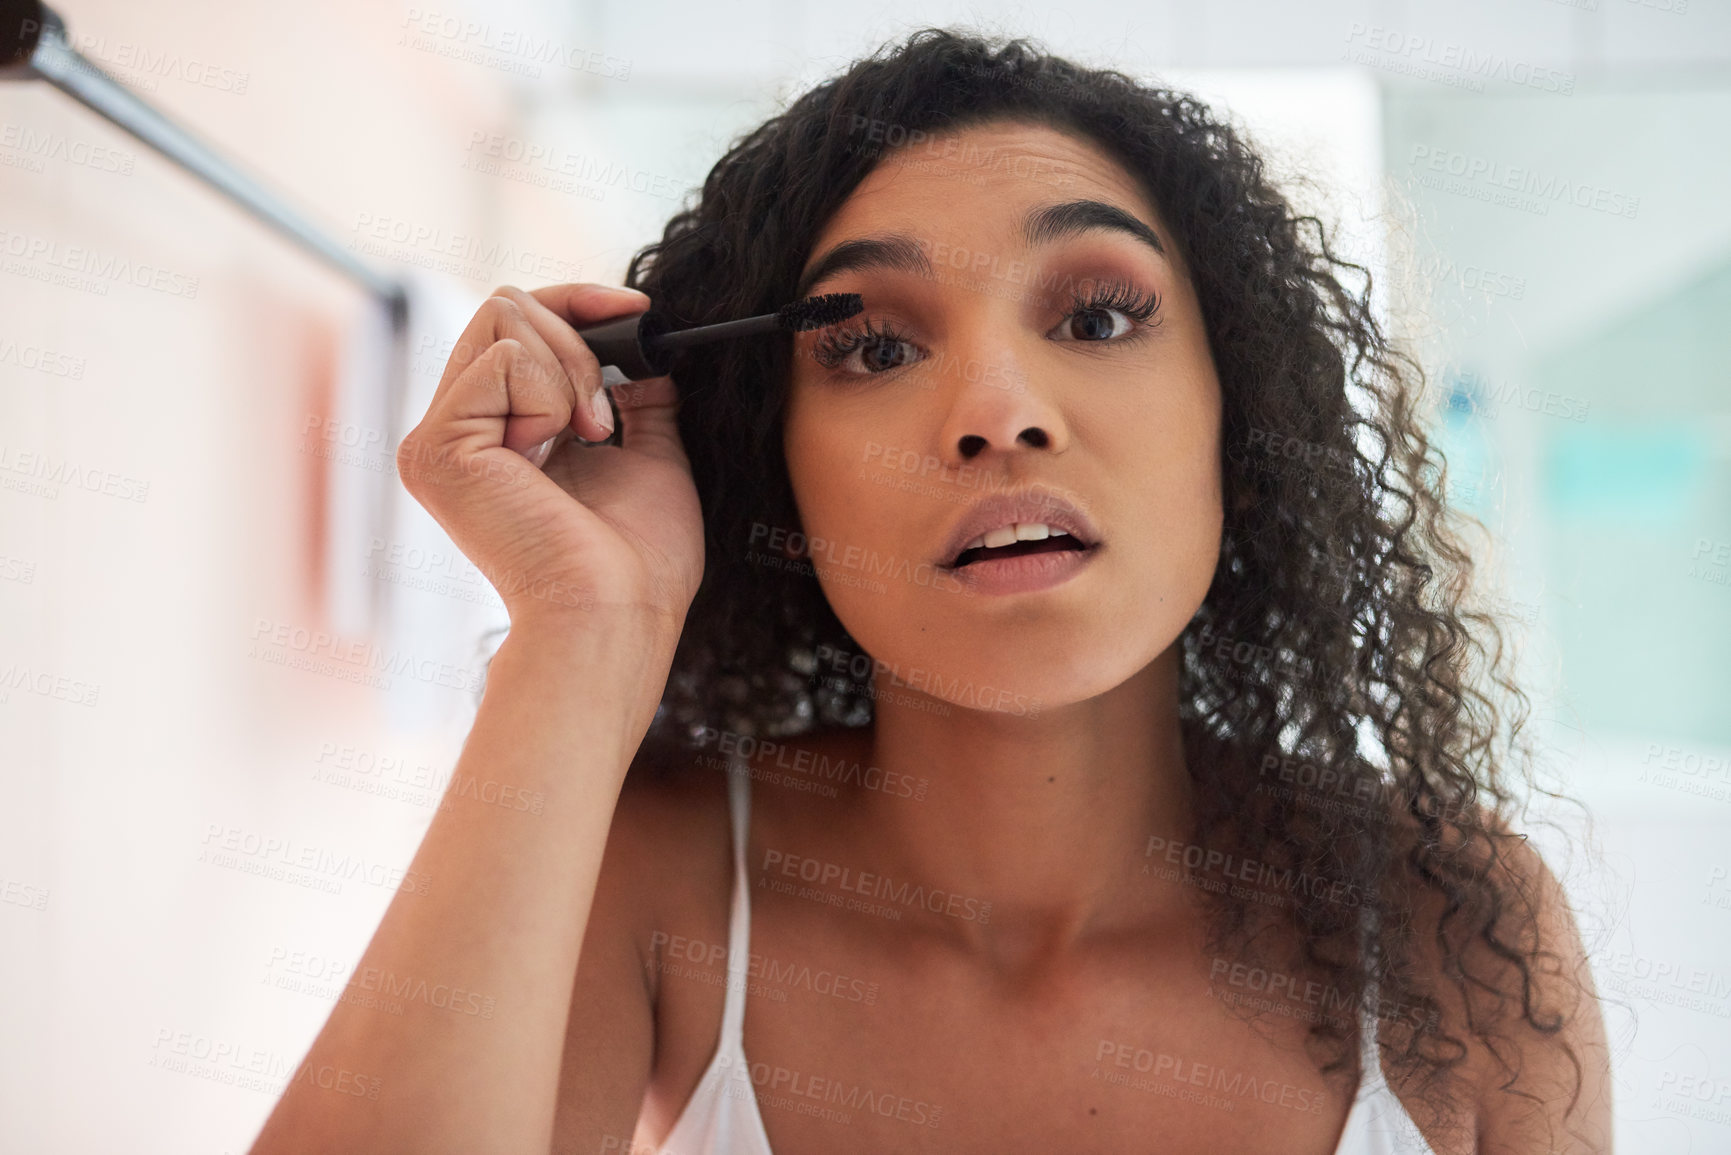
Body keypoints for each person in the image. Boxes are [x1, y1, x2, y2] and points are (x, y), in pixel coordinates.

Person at [248, 27, 1611, 1155]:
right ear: (774, 473)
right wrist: (581, 630)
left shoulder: (1455, 928)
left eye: (1096, 317)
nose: (997, 414)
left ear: (1237, 429)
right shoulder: (658, 881)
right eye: (877, 344)